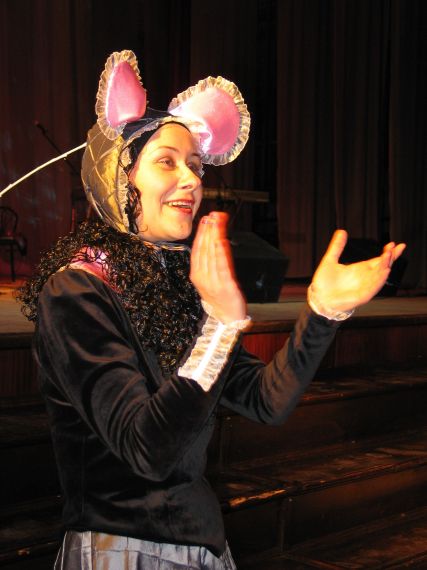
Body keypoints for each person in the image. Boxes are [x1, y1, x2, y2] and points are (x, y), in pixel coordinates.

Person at [18, 50, 405, 570]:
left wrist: (321, 313)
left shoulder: (178, 287)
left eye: (196, 166)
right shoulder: (76, 291)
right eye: (167, 161)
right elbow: (146, 449)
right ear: (118, 176)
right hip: (124, 550)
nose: (191, 179)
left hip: (201, 544)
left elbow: (266, 400)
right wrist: (219, 326)